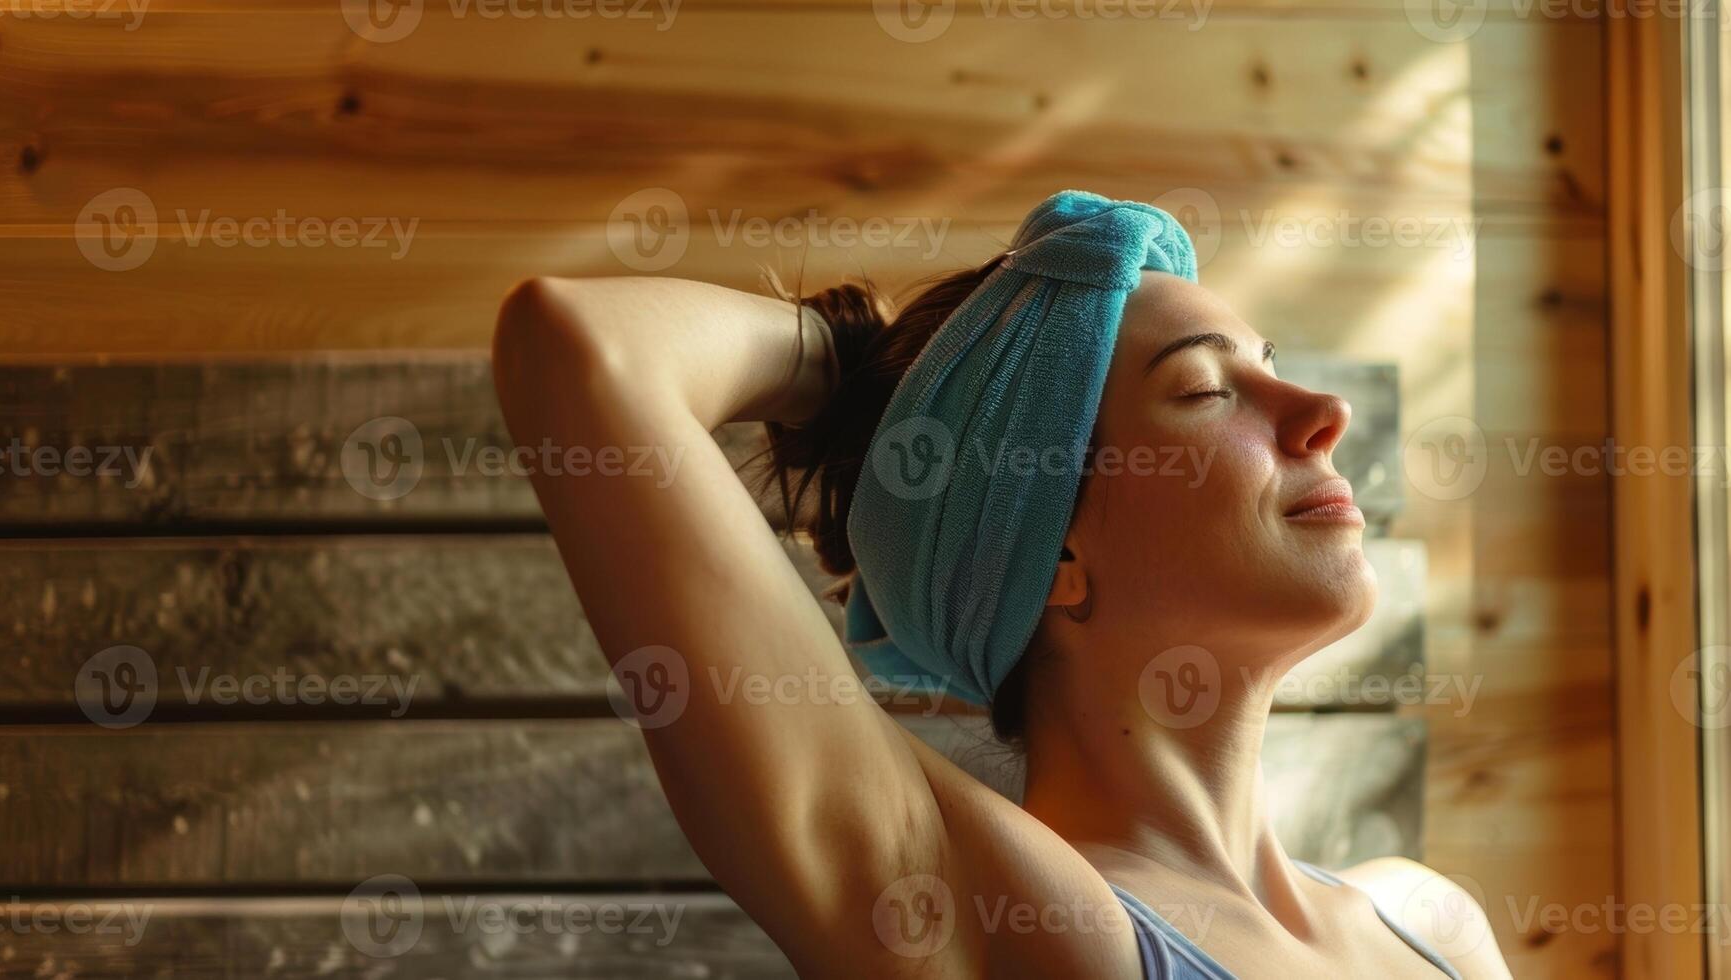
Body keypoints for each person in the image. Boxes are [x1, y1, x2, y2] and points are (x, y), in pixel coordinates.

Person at [490, 190, 1512, 978]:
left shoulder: (1431, 925)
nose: (1323, 409)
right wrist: (856, 366)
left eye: (1274, 363)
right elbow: (581, 345)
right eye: (1206, 390)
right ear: (1053, 557)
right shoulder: (1005, 920)